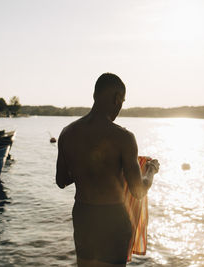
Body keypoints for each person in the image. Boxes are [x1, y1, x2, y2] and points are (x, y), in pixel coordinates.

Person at [56, 73, 160, 267]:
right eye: (122, 101)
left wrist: (85, 168)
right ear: (116, 98)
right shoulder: (123, 138)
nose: (120, 107)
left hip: (83, 216)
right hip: (112, 219)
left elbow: (61, 181)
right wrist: (151, 170)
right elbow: (138, 191)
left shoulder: (67, 133)